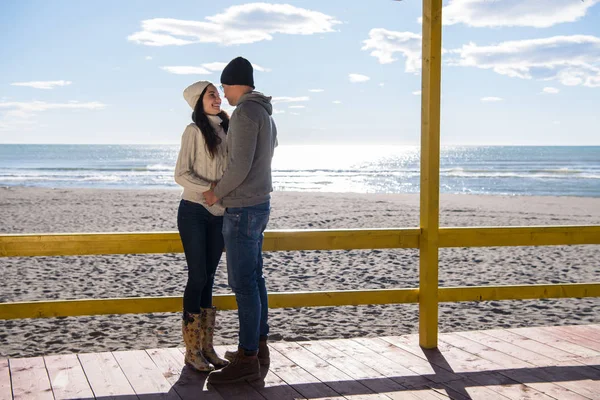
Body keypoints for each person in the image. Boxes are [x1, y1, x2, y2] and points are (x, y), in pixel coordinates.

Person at [203, 56, 277, 384]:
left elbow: (240, 165)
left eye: (224, 85)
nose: (223, 92)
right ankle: (257, 349)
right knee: (255, 279)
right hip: (259, 205)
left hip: (244, 208)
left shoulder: (246, 112)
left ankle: (248, 358)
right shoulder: (264, 112)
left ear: (236, 83)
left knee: (243, 284)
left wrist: (216, 191)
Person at [174, 80, 230, 372]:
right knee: (197, 276)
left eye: (218, 94)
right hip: (194, 211)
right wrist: (210, 187)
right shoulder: (193, 131)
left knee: (209, 277)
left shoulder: (228, 129)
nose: (218, 98)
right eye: (211, 94)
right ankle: (191, 350)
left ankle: (207, 347)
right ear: (199, 101)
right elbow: (180, 174)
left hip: (221, 214)